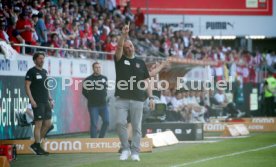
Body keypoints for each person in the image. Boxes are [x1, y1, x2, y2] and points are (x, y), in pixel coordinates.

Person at [114, 22, 155, 161]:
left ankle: (135, 151)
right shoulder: (119, 60)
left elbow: (147, 81)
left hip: (138, 99)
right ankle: (125, 148)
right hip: (122, 98)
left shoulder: (140, 62)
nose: (129, 49)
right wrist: (124, 35)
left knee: (137, 127)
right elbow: (119, 46)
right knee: (120, 123)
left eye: (130, 46)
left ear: (134, 47)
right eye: (126, 47)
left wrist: (151, 97)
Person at [25, 52, 54, 155]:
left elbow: (47, 87)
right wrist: (31, 100)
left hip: (46, 101)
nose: (42, 60)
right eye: (40, 58)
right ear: (35, 60)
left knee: (48, 124)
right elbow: (27, 86)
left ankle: (37, 144)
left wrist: (50, 99)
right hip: (37, 102)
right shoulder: (31, 72)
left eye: (43, 58)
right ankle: (37, 146)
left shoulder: (45, 72)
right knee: (38, 124)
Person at [82, 62, 109, 138]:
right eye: (96, 67)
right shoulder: (88, 79)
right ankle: (93, 141)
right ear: (93, 68)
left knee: (106, 121)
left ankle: (101, 138)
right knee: (94, 124)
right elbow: (84, 92)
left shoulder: (104, 78)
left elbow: (105, 89)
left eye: (99, 67)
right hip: (93, 105)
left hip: (103, 105)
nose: (98, 69)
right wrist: (91, 98)